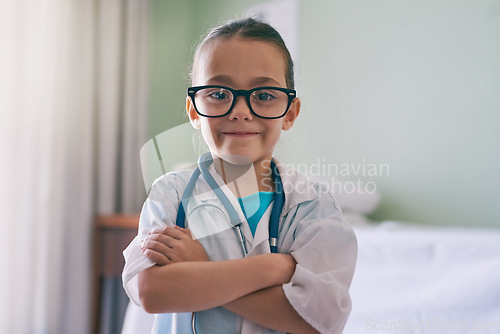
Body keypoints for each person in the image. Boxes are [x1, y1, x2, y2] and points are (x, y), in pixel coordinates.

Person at [122, 17, 357, 334]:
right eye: (218, 94)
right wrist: (273, 267)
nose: (241, 110)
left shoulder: (313, 208)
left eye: (264, 95)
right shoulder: (171, 194)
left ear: (290, 112)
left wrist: (203, 268)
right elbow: (152, 292)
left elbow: (316, 321)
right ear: (193, 110)